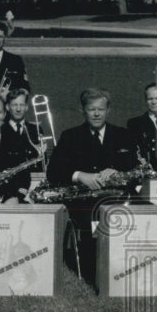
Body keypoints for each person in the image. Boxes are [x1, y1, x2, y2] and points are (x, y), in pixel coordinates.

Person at [46, 88, 138, 286]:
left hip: (119, 197)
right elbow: (53, 172)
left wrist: (117, 171)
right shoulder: (69, 136)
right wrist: (79, 175)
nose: (96, 114)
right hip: (84, 201)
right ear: (83, 111)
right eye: (91, 109)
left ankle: (140, 268)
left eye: (101, 109)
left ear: (108, 111)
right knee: (93, 221)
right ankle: (100, 277)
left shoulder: (124, 135)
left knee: (148, 211)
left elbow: (136, 171)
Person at [3, 88, 41, 160]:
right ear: (7, 107)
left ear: (26, 107)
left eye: (21, 105)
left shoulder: (36, 129)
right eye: (14, 105)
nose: (18, 109)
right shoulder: (0, 130)